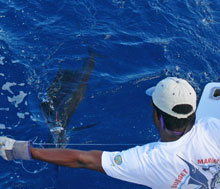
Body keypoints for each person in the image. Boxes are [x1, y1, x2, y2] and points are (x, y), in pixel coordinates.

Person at [1, 77, 220, 188]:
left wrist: (20, 150)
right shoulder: (213, 126)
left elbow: (83, 159)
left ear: (157, 116)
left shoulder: (149, 160)